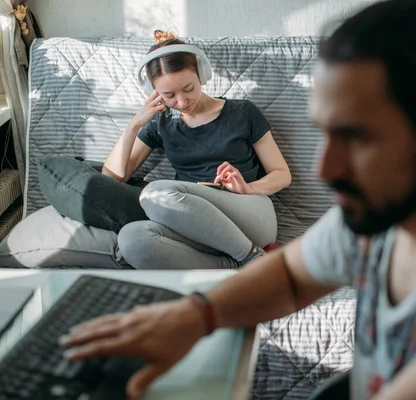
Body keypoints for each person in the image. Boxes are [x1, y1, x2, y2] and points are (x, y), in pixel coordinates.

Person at [60, 1, 416, 399]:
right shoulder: (386, 211)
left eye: (358, 138)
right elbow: (293, 274)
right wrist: (196, 315)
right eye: (327, 135)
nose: (326, 169)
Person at [105, 31, 291, 269]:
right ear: (154, 93)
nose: (182, 102)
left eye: (188, 88)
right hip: (198, 227)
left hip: (251, 212)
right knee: (131, 239)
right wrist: (134, 125)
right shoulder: (160, 122)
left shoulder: (243, 112)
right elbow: (112, 177)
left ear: (202, 76)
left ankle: (250, 255)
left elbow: (282, 174)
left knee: (154, 194)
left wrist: (248, 188)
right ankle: (231, 264)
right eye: (169, 95)